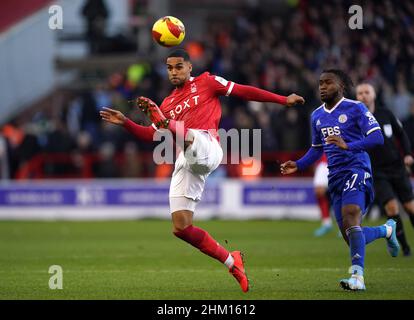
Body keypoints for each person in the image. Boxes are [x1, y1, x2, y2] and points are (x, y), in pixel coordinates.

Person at [100, 49, 305, 293]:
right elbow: (150, 135)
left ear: (189, 67)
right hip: (187, 158)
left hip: (208, 145)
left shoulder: (207, 82)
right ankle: (232, 261)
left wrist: (283, 100)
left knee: (186, 136)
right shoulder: (167, 103)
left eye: (178, 67)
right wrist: (126, 122)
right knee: (181, 227)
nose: (173, 72)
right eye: (169, 68)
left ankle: (174, 128)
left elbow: (242, 90)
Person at [280, 69, 400, 291]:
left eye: (328, 83)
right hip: (334, 177)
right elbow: (317, 149)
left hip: (357, 168)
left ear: (341, 86)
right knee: (351, 234)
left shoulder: (356, 108)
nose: (322, 87)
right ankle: (386, 230)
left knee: (351, 214)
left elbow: (377, 137)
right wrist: (298, 164)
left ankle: (357, 277)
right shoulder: (316, 115)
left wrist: (349, 145)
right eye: (320, 83)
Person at [356, 83, 414, 257]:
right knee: (391, 209)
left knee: (411, 208)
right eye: (360, 93)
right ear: (356, 97)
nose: (363, 95)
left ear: (373, 95)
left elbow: (401, 134)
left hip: (397, 167)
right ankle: (405, 248)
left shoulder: (385, 114)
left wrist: (408, 154)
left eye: (367, 92)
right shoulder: (355, 119)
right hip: (377, 172)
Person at [312, 153, 333, 237]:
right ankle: (326, 223)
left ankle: (346, 226)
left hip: (339, 159)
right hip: (323, 160)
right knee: (319, 192)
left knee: (341, 193)